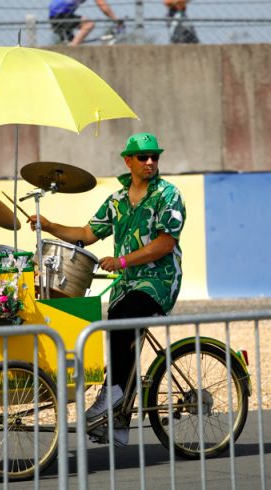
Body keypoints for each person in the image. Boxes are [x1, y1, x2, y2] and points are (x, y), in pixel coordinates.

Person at [28, 133, 186, 447]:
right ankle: (117, 423)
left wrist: (123, 260)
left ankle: (111, 394)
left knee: (125, 316)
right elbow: (87, 233)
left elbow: (166, 243)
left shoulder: (168, 194)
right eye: (143, 157)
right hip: (126, 283)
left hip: (159, 281)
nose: (150, 162)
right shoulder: (117, 200)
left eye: (154, 156)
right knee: (114, 322)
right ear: (128, 161)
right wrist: (49, 225)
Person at [49, 0, 121, 46]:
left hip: (56, 15)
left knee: (69, 41)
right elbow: (102, 5)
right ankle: (71, 50)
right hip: (61, 14)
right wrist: (115, 19)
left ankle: (71, 46)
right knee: (88, 24)